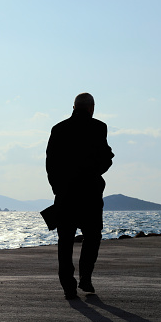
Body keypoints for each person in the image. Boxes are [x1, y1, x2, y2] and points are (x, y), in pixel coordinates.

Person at [46, 92, 114, 299]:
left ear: (73, 107)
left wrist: (57, 187)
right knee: (93, 237)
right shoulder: (99, 127)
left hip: (66, 193)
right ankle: (86, 278)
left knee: (65, 240)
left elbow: (51, 163)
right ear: (92, 108)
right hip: (90, 193)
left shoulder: (58, 129)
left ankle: (68, 285)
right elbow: (106, 158)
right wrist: (95, 173)